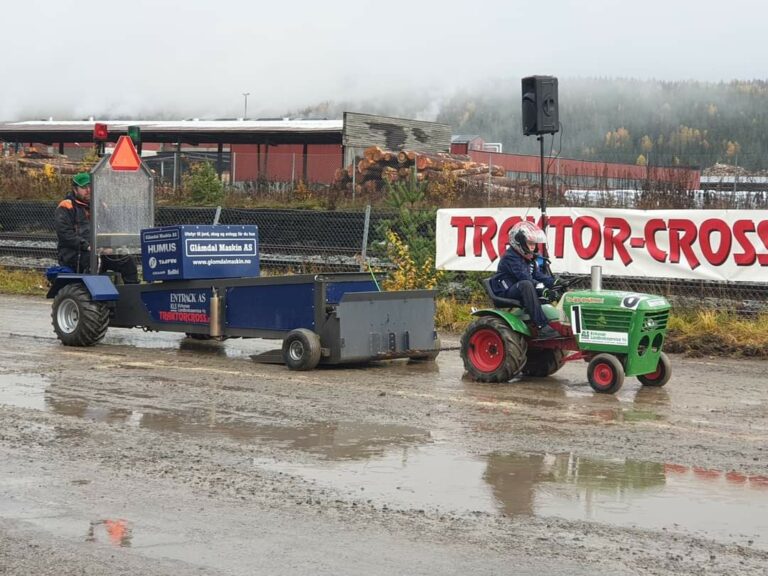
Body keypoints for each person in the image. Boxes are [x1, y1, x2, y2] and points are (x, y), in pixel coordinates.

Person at [54, 172, 139, 283]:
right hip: (75, 254)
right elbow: (65, 235)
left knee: (127, 261)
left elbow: (111, 228)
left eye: (90, 187)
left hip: (99, 252)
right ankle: (90, 296)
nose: (88, 190)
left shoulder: (100, 206)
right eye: (84, 187)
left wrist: (109, 246)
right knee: (93, 261)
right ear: (75, 189)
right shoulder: (66, 206)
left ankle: (130, 296)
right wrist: (88, 246)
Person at [489, 221, 560, 339]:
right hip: (506, 290)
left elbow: (537, 275)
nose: (533, 246)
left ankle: (562, 323)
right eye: (530, 243)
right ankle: (542, 326)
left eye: (534, 243)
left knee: (556, 285)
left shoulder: (528, 257)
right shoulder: (510, 257)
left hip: (520, 288)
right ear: (519, 242)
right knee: (526, 284)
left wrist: (554, 282)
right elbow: (525, 277)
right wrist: (543, 290)